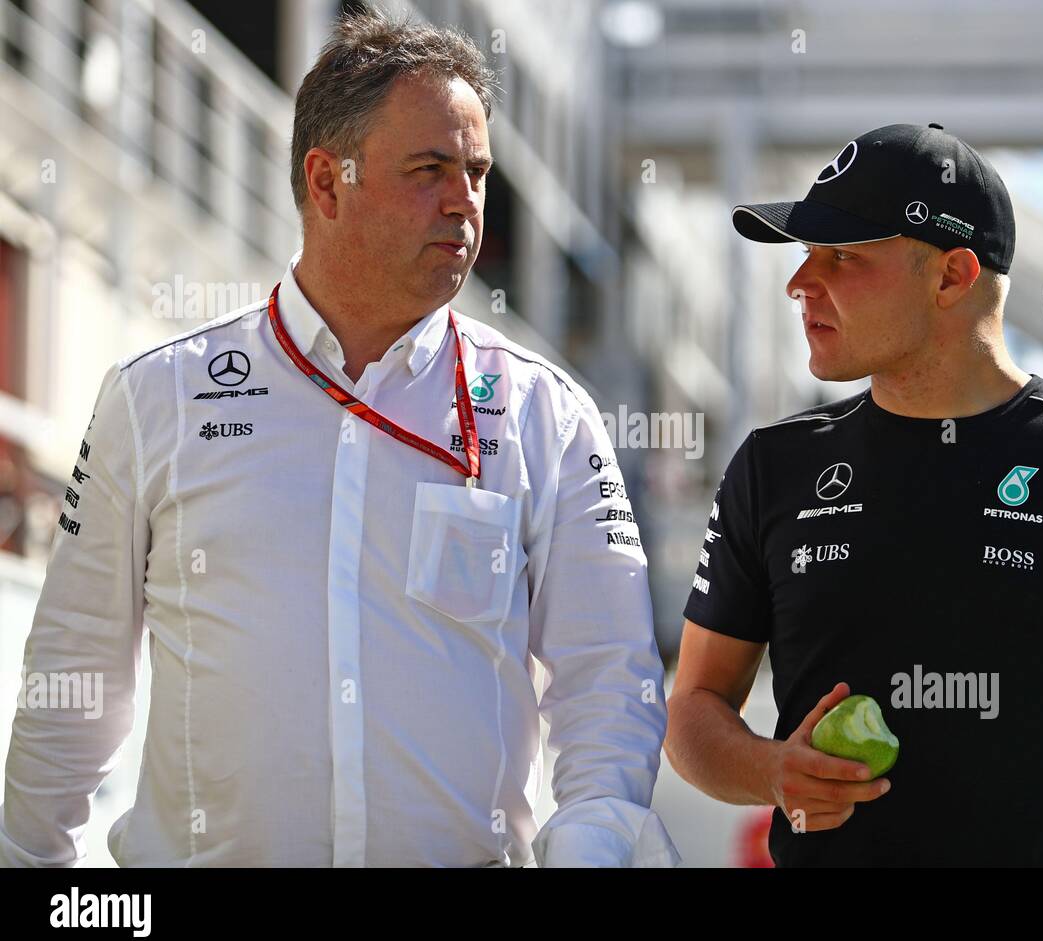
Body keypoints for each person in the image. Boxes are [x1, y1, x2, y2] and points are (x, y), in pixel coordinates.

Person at [0, 10, 678, 868]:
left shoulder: (549, 415)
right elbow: (73, 683)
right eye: (429, 170)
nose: (464, 204)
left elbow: (609, 687)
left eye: (475, 172)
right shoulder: (156, 397)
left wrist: (589, 852)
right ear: (328, 183)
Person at [666, 122, 1043, 866]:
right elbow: (693, 712)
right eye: (803, 254)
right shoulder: (773, 466)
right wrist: (772, 768)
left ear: (952, 276)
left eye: (841, 255)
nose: (799, 282)